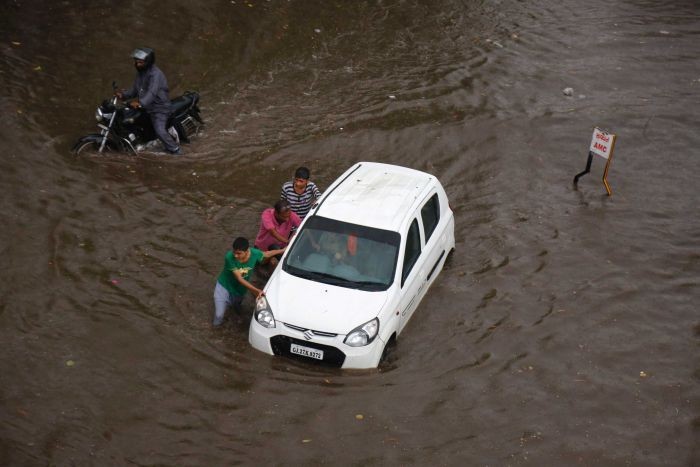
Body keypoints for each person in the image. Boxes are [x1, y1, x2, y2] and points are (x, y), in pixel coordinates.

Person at [116, 47, 182, 155]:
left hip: (159, 107)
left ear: (148, 62)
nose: (137, 65)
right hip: (147, 107)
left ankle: (175, 150)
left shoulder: (155, 75)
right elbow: (134, 90)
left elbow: (151, 93)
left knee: (159, 130)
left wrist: (140, 103)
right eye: (136, 62)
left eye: (140, 62)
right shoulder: (141, 74)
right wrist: (122, 95)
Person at [213, 237, 285, 327]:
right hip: (224, 287)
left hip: (240, 290)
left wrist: (282, 251)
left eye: (239, 253)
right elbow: (239, 278)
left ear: (247, 251)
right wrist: (256, 290)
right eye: (234, 252)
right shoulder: (229, 257)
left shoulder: (254, 253)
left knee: (236, 307)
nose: (235, 255)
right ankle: (215, 328)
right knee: (219, 315)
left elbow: (266, 254)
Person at [254, 200, 301, 266]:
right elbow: (273, 232)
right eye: (284, 217)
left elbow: (302, 226)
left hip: (279, 247)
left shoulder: (291, 215)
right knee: (260, 266)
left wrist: (314, 243)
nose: (287, 219)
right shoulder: (267, 214)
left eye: (288, 216)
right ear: (276, 213)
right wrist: (288, 242)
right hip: (263, 248)